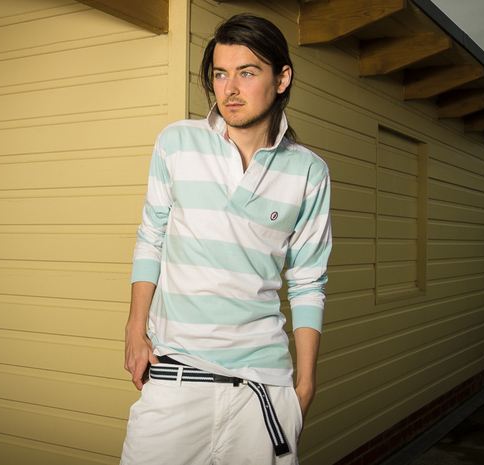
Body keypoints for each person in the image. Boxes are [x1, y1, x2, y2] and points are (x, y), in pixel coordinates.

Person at [120, 13, 332, 465]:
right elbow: (151, 237)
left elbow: (308, 280)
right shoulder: (176, 143)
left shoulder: (309, 172)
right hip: (177, 378)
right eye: (220, 74)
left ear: (281, 79)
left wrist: (304, 387)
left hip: (263, 392)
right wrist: (135, 331)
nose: (230, 89)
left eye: (247, 73)